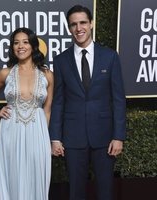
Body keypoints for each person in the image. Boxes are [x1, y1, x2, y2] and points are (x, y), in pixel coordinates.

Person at [49, 5, 126, 200]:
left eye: (83, 22)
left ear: (91, 24)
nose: (78, 28)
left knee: (106, 190)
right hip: (72, 137)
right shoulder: (60, 61)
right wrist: (55, 137)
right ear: (69, 29)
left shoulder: (110, 57)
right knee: (76, 191)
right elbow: (58, 101)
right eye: (73, 24)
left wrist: (119, 136)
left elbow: (118, 99)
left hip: (105, 136)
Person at [0, 27, 53, 200]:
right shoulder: (5, 73)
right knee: (13, 175)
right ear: (12, 47)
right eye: (16, 43)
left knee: (37, 176)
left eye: (25, 42)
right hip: (11, 130)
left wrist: (45, 139)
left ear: (34, 46)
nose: (20, 46)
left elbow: (47, 109)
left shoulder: (47, 75)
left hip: (38, 132)